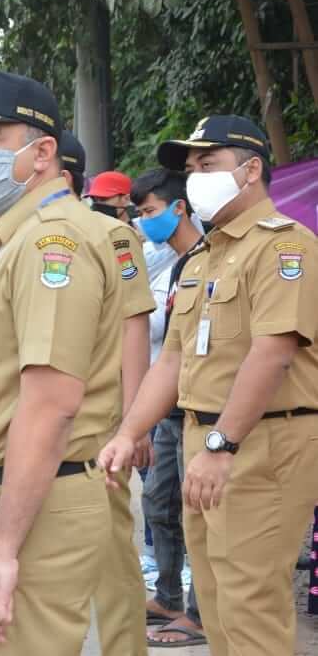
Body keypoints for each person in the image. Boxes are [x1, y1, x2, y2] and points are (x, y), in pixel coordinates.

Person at [0, 71, 136, 654]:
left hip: (21, 510)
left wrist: (2, 551)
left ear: (43, 153)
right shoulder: (10, 242)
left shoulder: (52, 244)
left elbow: (51, 405)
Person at [99, 114, 318, 655]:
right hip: (206, 442)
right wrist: (130, 432)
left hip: (259, 444)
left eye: (208, 163)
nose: (195, 176)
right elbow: (173, 356)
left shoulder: (284, 247)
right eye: (191, 166)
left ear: (250, 170)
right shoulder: (204, 256)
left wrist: (222, 445)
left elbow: (273, 354)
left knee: (249, 606)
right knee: (217, 604)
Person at [61, 131, 155, 656]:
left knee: (112, 553)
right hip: (31, 425)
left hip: (94, 426)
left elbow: (133, 327)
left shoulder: (114, 238)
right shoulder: (14, 236)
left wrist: (133, 424)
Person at [129, 168, 206, 648]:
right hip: (169, 407)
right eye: (138, 214)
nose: (143, 223)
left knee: (196, 512)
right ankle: (168, 596)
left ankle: (200, 612)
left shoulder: (211, 258)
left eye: (149, 212)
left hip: (199, 407)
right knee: (159, 502)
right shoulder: (178, 266)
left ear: (180, 207)